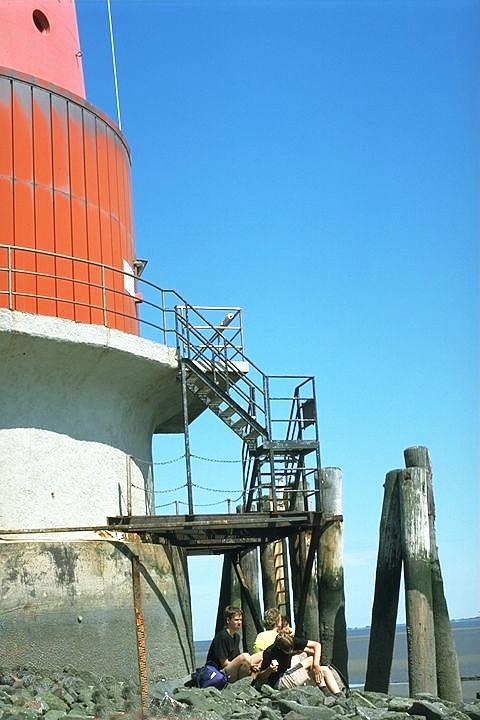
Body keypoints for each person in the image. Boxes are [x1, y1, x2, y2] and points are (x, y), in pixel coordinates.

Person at [253, 628, 342, 694]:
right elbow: (260, 677)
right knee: (310, 660)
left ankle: (338, 695)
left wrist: (316, 665)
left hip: (288, 672)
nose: (290, 652)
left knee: (324, 669)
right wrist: (270, 670)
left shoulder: (291, 640)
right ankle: (325, 693)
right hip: (279, 681)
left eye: (292, 649)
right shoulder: (269, 652)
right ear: (279, 647)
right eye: (287, 651)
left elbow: (317, 645)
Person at [206, 605, 263, 682]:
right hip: (221, 673)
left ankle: (251, 681)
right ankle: (243, 683)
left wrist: (251, 665)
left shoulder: (236, 637)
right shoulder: (222, 636)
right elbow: (224, 664)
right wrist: (245, 662)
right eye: (236, 620)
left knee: (261, 654)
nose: (239, 622)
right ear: (228, 620)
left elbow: (236, 658)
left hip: (233, 669)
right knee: (245, 656)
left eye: (240, 620)